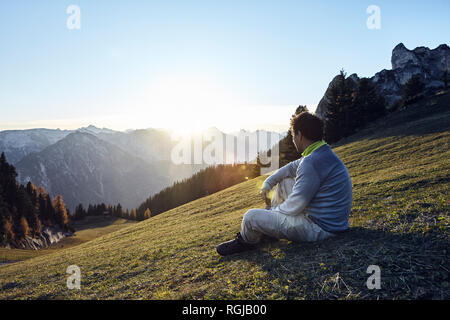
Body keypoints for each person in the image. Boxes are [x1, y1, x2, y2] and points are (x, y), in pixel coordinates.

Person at [216, 112, 353, 256]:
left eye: (293, 135)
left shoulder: (311, 162)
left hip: (320, 229)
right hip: (333, 223)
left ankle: (247, 241)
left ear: (299, 135)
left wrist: (270, 212)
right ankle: (269, 230)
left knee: (250, 217)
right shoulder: (321, 153)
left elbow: (294, 206)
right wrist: (268, 183)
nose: (293, 139)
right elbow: (289, 169)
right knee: (285, 182)